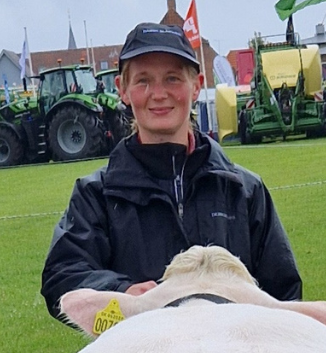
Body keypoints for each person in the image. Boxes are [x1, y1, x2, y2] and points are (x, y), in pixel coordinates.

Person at [40, 22, 300, 320]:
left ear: (197, 85)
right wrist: (123, 292)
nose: (159, 93)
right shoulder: (96, 195)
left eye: (173, 79)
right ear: (122, 90)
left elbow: (284, 289)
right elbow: (62, 276)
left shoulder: (242, 189)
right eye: (143, 81)